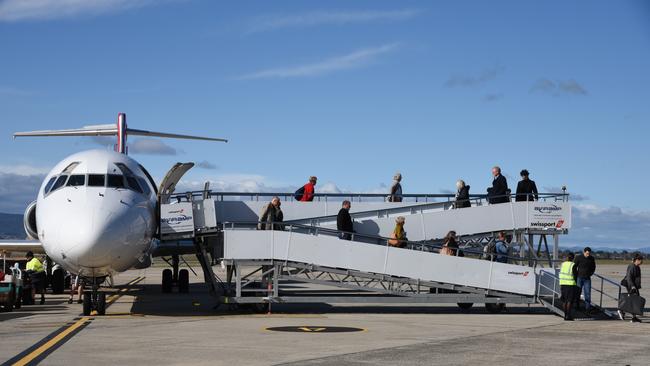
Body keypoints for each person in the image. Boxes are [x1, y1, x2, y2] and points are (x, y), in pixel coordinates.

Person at [618, 253, 643, 323]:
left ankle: (633, 317)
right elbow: (629, 277)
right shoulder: (632, 266)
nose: (642, 262)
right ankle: (621, 310)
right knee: (633, 300)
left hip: (634, 286)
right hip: (631, 285)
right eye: (640, 260)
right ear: (637, 260)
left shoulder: (637, 267)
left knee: (633, 300)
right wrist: (632, 286)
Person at [574, 247, 596, 312]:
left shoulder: (592, 258)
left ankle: (587, 308)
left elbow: (593, 267)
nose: (588, 255)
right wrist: (576, 275)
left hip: (587, 279)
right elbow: (574, 267)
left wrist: (590, 274)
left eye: (589, 254)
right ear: (584, 252)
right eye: (587, 253)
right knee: (578, 292)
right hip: (579, 278)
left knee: (587, 293)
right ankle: (577, 306)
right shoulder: (579, 257)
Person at [559, 252, 579, 321]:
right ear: (573, 258)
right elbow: (575, 275)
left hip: (562, 284)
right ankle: (568, 315)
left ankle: (565, 315)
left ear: (567, 257)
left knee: (564, 301)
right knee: (569, 301)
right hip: (570, 284)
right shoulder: (573, 265)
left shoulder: (563, 264)